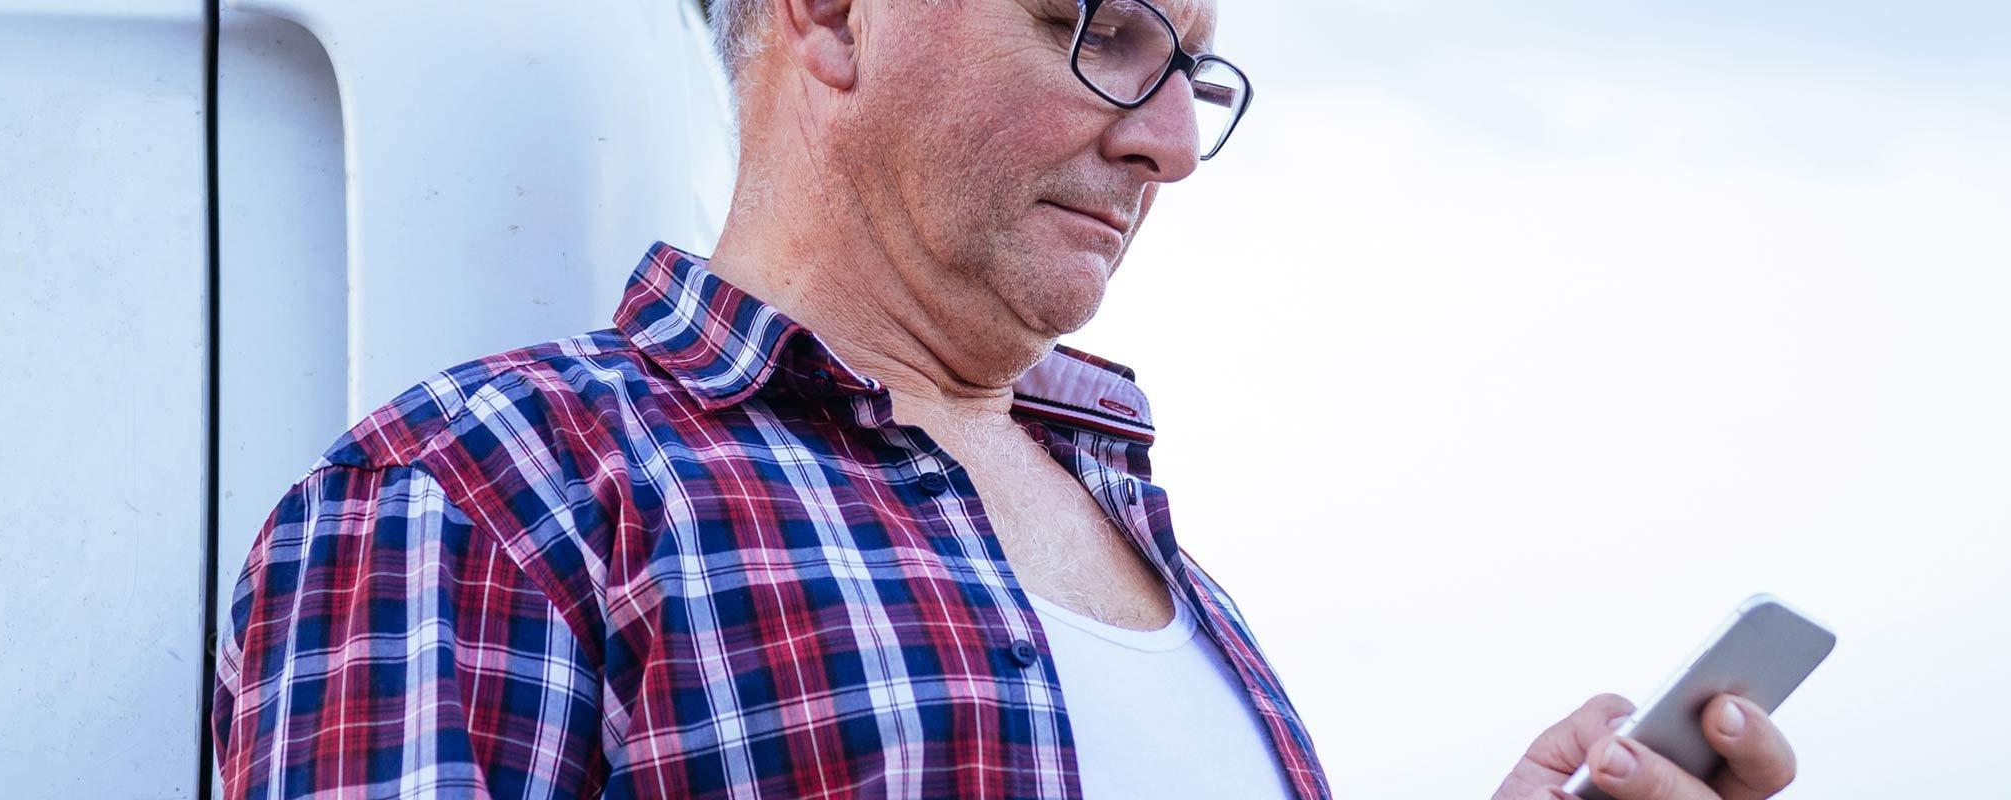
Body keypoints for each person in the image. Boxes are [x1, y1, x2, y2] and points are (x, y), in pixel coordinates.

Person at [211, 0, 1802, 797]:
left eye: (1195, 70)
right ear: (832, 12)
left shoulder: (1173, 581)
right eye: (1101, 35)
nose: (1172, 140)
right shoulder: (486, 498)